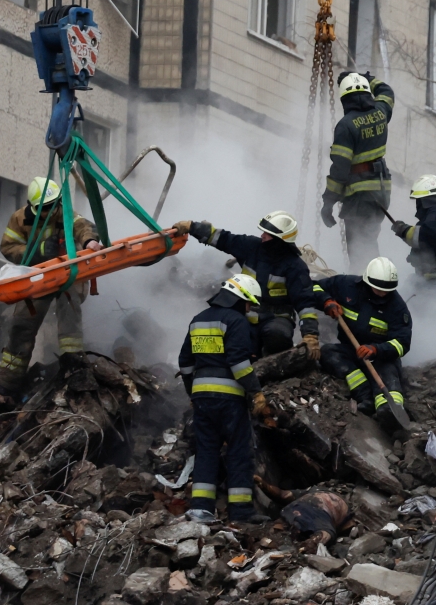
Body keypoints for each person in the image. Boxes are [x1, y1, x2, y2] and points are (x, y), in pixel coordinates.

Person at [0, 177, 102, 391]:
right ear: (34, 208)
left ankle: (74, 366)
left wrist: (89, 241)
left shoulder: (64, 212)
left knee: (69, 312)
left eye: (55, 205)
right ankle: (9, 379)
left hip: (65, 275)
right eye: (47, 207)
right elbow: (8, 248)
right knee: (22, 324)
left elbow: (83, 226)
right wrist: (38, 251)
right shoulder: (19, 219)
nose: (53, 211)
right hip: (36, 277)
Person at [178, 274, 271, 524]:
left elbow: (185, 363)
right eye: (249, 304)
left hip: (202, 399)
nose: (249, 309)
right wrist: (256, 391)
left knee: (207, 450)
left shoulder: (198, 321)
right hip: (230, 399)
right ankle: (241, 513)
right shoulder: (236, 321)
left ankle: (201, 509)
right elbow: (239, 364)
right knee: (239, 451)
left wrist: (192, 392)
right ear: (241, 300)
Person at [173, 212, 321, 360]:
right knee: (230, 337)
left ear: (279, 240)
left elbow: (305, 303)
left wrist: (310, 335)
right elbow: (223, 239)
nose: (262, 235)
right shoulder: (251, 246)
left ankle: (274, 369)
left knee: (277, 335)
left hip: (276, 318)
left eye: (267, 234)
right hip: (244, 313)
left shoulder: (295, 267)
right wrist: (191, 227)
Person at [314, 257, 411, 431]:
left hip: (381, 357)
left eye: (387, 290)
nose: (383, 294)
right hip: (351, 350)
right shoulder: (346, 285)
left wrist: (376, 349)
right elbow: (314, 286)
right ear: (367, 282)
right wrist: (326, 301)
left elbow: (402, 343)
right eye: (379, 289)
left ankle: (388, 412)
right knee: (328, 353)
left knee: (388, 376)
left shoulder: (397, 307)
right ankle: (364, 396)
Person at [321, 72, 395, 273]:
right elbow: (387, 92)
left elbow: (340, 171)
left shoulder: (346, 126)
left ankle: (370, 286)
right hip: (381, 192)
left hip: (359, 198)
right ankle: (376, 281)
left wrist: (328, 202)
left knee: (359, 249)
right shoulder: (381, 112)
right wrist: (366, 77)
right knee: (369, 240)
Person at [390, 174, 436, 305]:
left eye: (418, 200)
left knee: (413, 310)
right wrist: (417, 256)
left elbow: (428, 236)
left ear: (425, 200)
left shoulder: (435, 215)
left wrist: (404, 230)